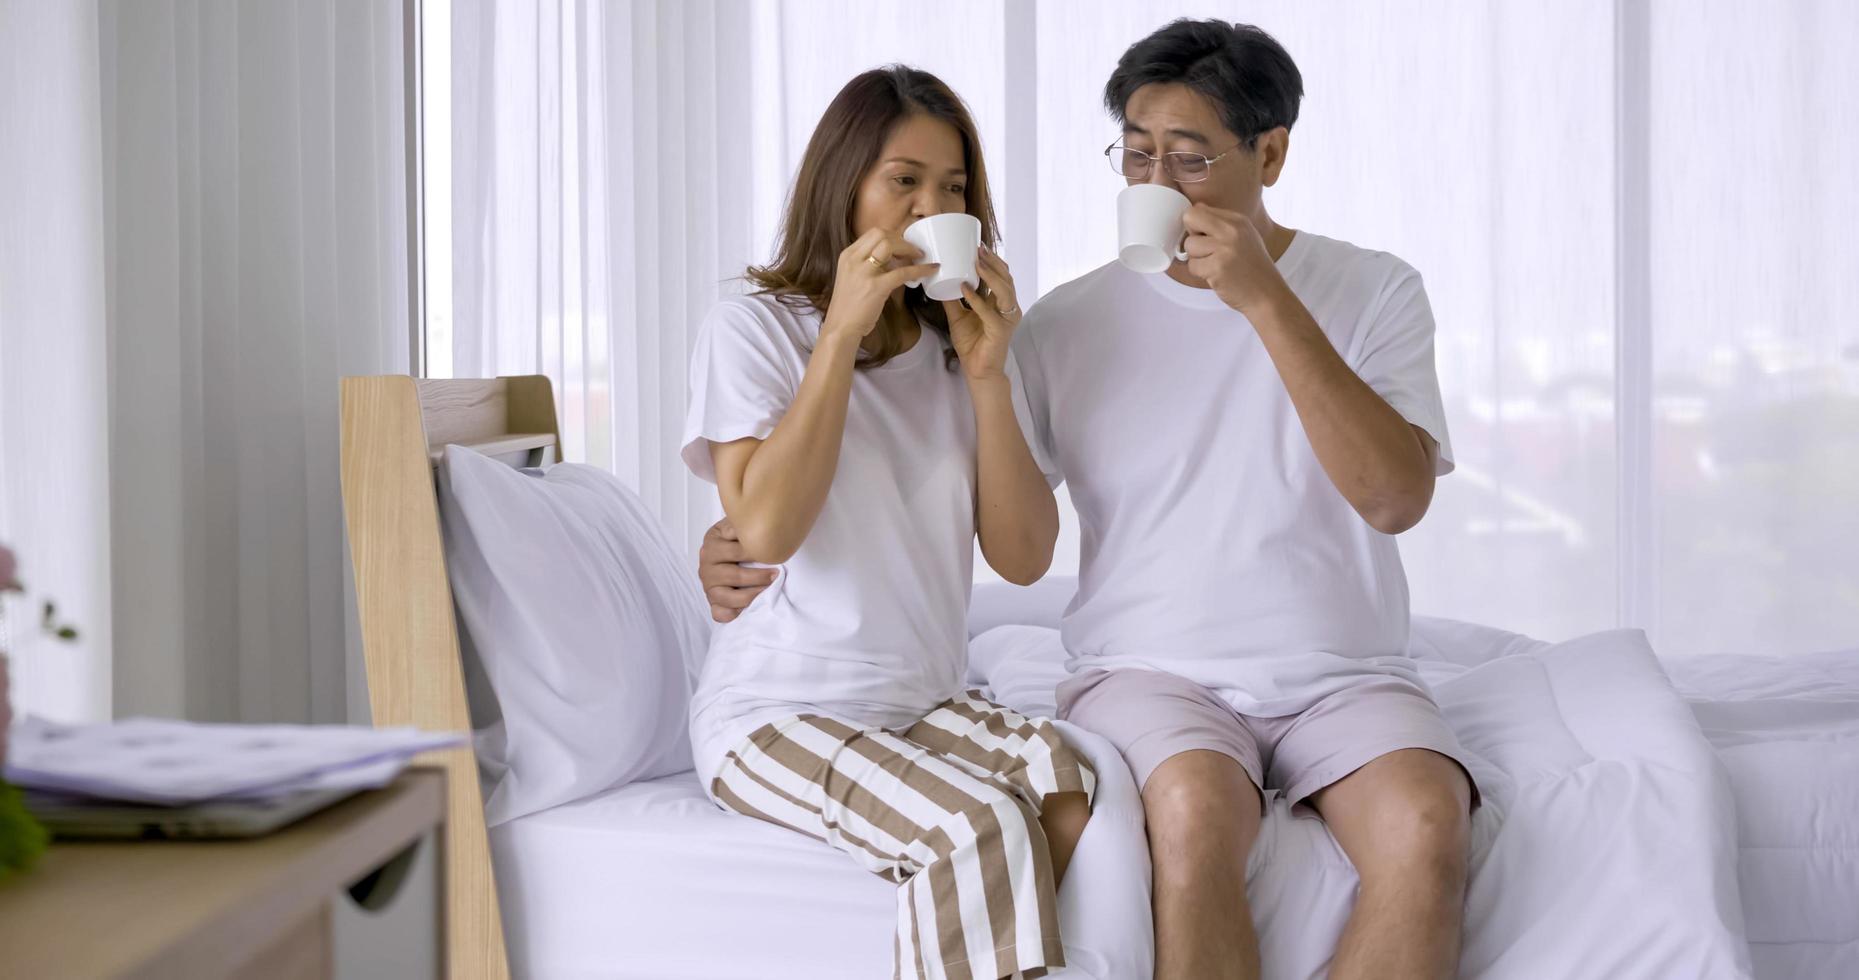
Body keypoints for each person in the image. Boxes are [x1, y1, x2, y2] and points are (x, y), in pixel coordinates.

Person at [703, 22, 1480, 980]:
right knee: (1166, 819)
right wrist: (742, 523)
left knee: (1418, 821)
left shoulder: (1368, 290)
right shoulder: (1052, 324)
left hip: (1330, 672)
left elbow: (1395, 500)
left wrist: (1262, 301)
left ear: (1269, 153)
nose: (1155, 183)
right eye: (1136, 154)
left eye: (1188, 157)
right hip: (1111, 675)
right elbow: (829, 520)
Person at [681, 65, 1093, 980]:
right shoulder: (755, 326)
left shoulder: (967, 349)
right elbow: (771, 529)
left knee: (1067, 785)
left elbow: (1023, 559)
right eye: (901, 180)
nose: (927, 205)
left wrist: (990, 375)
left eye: (952, 189)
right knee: (974, 824)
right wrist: (837, 333)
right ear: (845, 184)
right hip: (775, 711)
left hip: (919, 703)